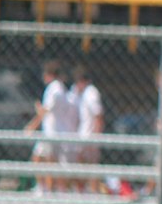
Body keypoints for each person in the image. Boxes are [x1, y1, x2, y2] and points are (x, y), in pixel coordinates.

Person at [24, 59, 77, 193]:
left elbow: (46, 110)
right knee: (50, 162)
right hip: (57, 131)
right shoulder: (61, 88)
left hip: (52, 132)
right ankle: (52, 189)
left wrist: (32, 125)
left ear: (49, 74)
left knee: (41, 160)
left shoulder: (54, 88)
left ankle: (45, 189)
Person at [69, 65, 105, 192]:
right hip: (83, 135)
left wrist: (96, 137)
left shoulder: (91, 93)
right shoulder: (82, 94)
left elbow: (98, 116)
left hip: (90, 136)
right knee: (81, 165)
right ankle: (82, 191)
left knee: (91, 167)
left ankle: (92, 192)